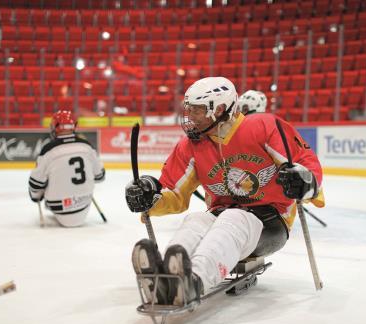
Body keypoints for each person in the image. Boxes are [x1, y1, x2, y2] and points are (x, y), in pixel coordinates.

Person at [125, 77, 324, 306]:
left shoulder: (263, 127)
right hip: (222, 213)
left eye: (198, 110)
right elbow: (174, 193)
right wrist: (150, 198)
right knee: (197, 219)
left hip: (271, 221)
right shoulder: (190, 146)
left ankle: (193, 281)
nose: (190, 116)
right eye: (189, 109)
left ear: (220, 109)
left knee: (233, 217)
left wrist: (305, 182)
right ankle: (167, 278)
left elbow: (304, 163)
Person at [28, 110, 106, 227]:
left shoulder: (48, 150)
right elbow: (100, 177)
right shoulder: (86, 146)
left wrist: (36, 197)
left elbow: (35, 185)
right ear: (73, 126)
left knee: (42, 179)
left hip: (59, 207)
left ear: (55, 128)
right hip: (84, 203)